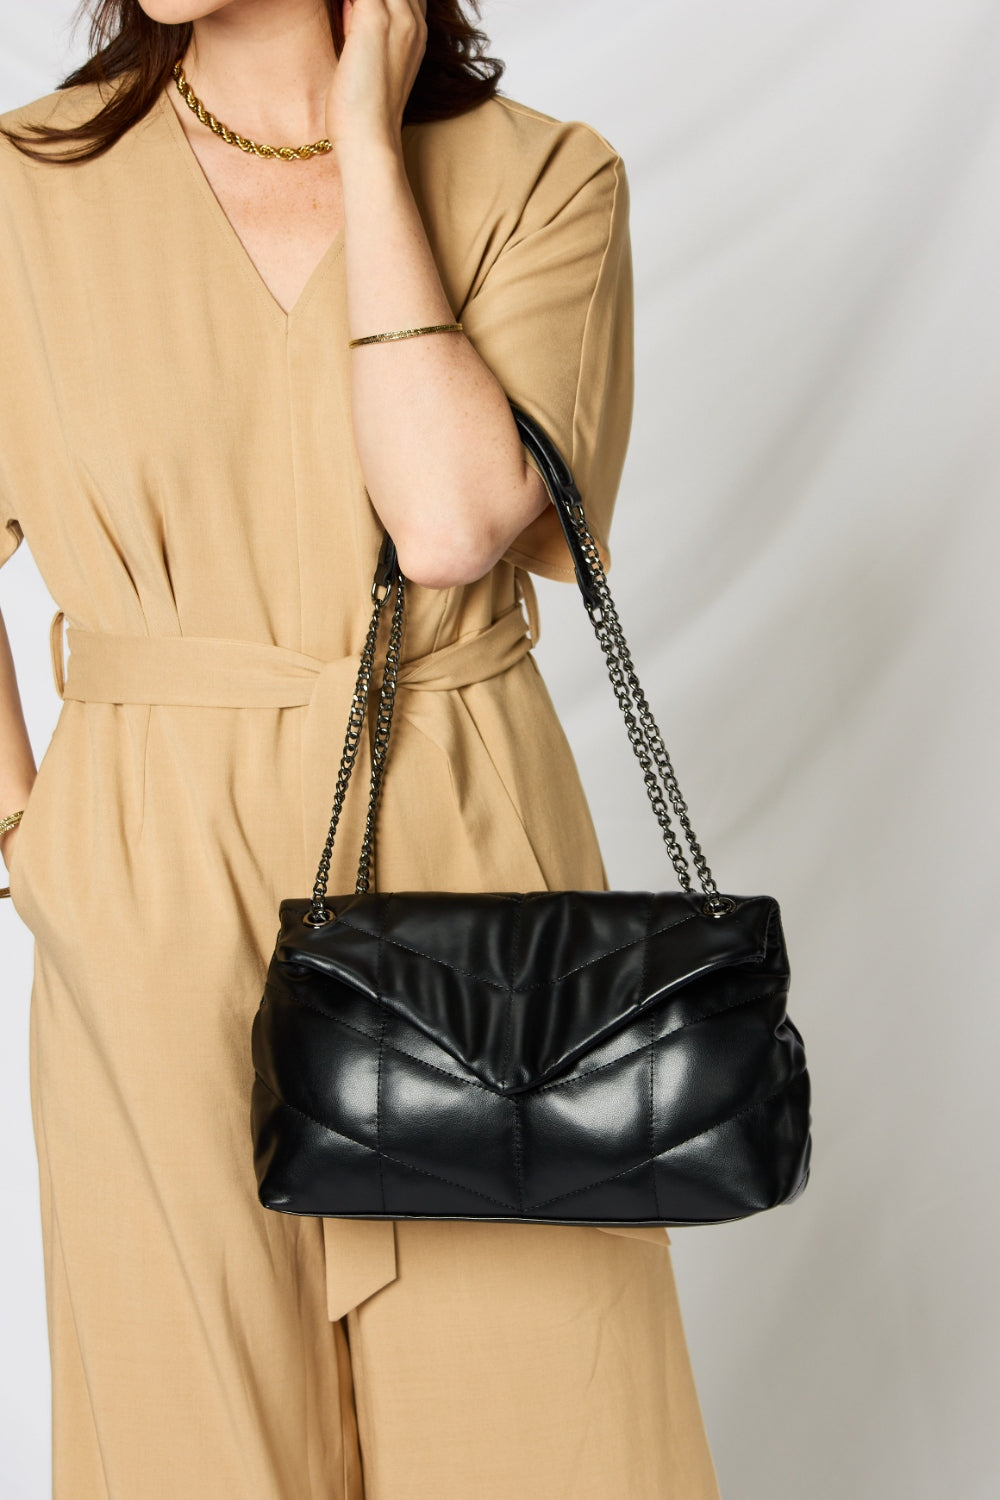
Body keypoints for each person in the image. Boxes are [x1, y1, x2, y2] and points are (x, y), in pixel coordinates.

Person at [0, 1, 723, 1494]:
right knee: (194, 1456)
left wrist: (366, 157)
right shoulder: (26, 190)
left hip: (470, 881)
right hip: (146, 897)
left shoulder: (540, 181)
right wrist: (31, 853)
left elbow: (451, 520)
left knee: (538, 1436)